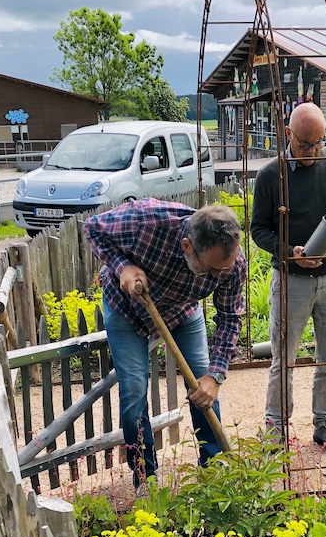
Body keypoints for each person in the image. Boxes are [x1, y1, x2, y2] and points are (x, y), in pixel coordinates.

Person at [84, 198, 246, 490]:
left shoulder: (231, 263)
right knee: (134, 391)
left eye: (225, 268)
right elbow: (93, 228)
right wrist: (123, 267)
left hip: (182, 310)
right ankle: (145, 478)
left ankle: (213, 474)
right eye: (212, 270)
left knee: (203, 386)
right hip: (127, 310)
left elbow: (230, 317)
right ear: (187, 246)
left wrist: (216, 375)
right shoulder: (146, 220)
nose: (220, 276)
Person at [251, 102, 326, 455]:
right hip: (291, 279)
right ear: (287, 134)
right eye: (306, 144)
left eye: (319, 143)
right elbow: (258, 230)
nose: (313, 152)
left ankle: (325, 427)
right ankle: (276, 430)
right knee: (284, 361)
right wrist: (288, 251)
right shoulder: (270, 175)